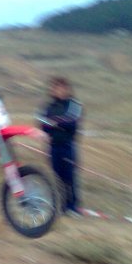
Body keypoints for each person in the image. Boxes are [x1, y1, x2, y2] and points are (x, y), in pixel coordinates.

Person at [36, 76, 83, 216]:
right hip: (53, 147)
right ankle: (61, 207)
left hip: (68, 146)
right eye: (55, 88)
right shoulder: (48, 107)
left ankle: (73, 207)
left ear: (67, 89)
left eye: (61, 88)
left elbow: (72, 123)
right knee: (57, 178)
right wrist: (57, 124)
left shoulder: (74, 105)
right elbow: (43, 123)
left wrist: (55, 122)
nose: (58, 90)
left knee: (70, 178)